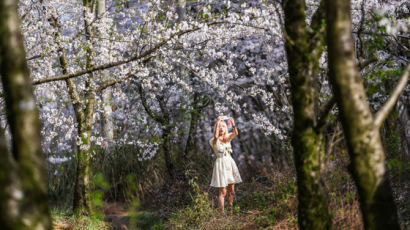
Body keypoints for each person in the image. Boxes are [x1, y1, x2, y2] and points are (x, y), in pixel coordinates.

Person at [209, 116, 242, 215]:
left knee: (231, 190)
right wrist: (218, 122)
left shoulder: (227, 138)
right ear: (217, 128)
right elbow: (215, 137)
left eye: (223, 126)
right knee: (223, 191)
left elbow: (236, 133)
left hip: (229, 163)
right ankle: (222, 214)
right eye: (219, 127)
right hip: (221, 165)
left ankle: (230, 211)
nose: (222, 128)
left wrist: (233, 124)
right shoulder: (214, 140)